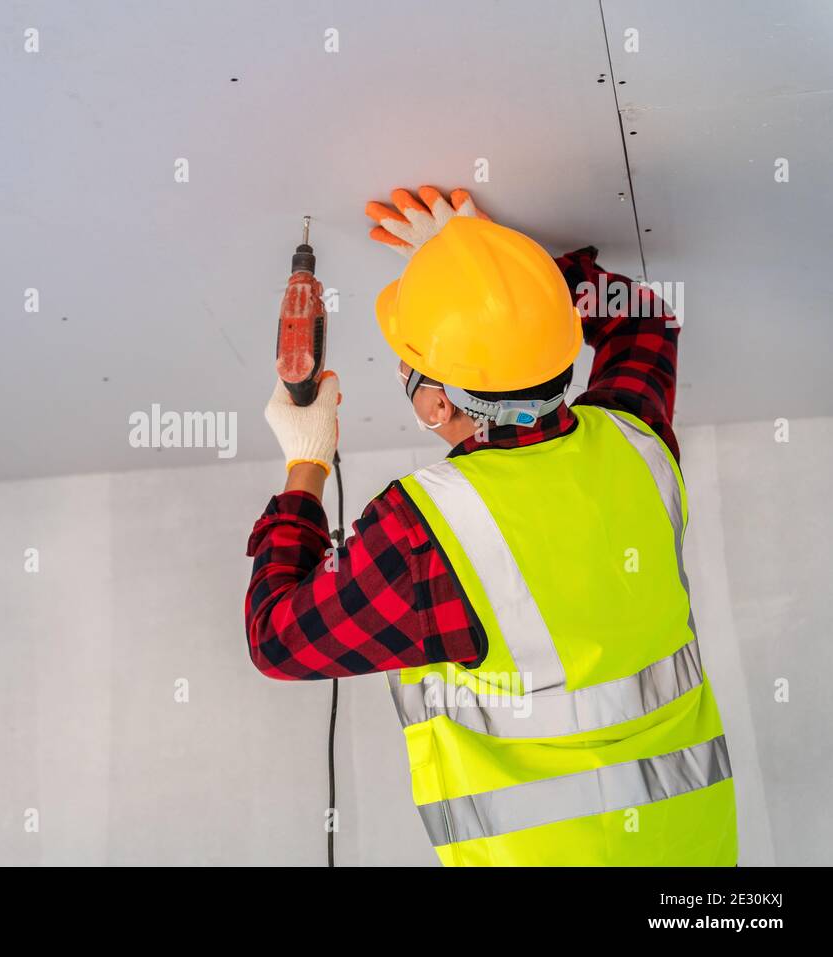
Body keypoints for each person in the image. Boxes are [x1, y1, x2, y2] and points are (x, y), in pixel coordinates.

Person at [246, 187, 737, 865]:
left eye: (406, 361)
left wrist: (306, 460)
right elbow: (643, 323)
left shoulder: (426, 533)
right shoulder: (634, 440)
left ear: (434, 403)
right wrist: (502, 274)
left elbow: (279, 637)